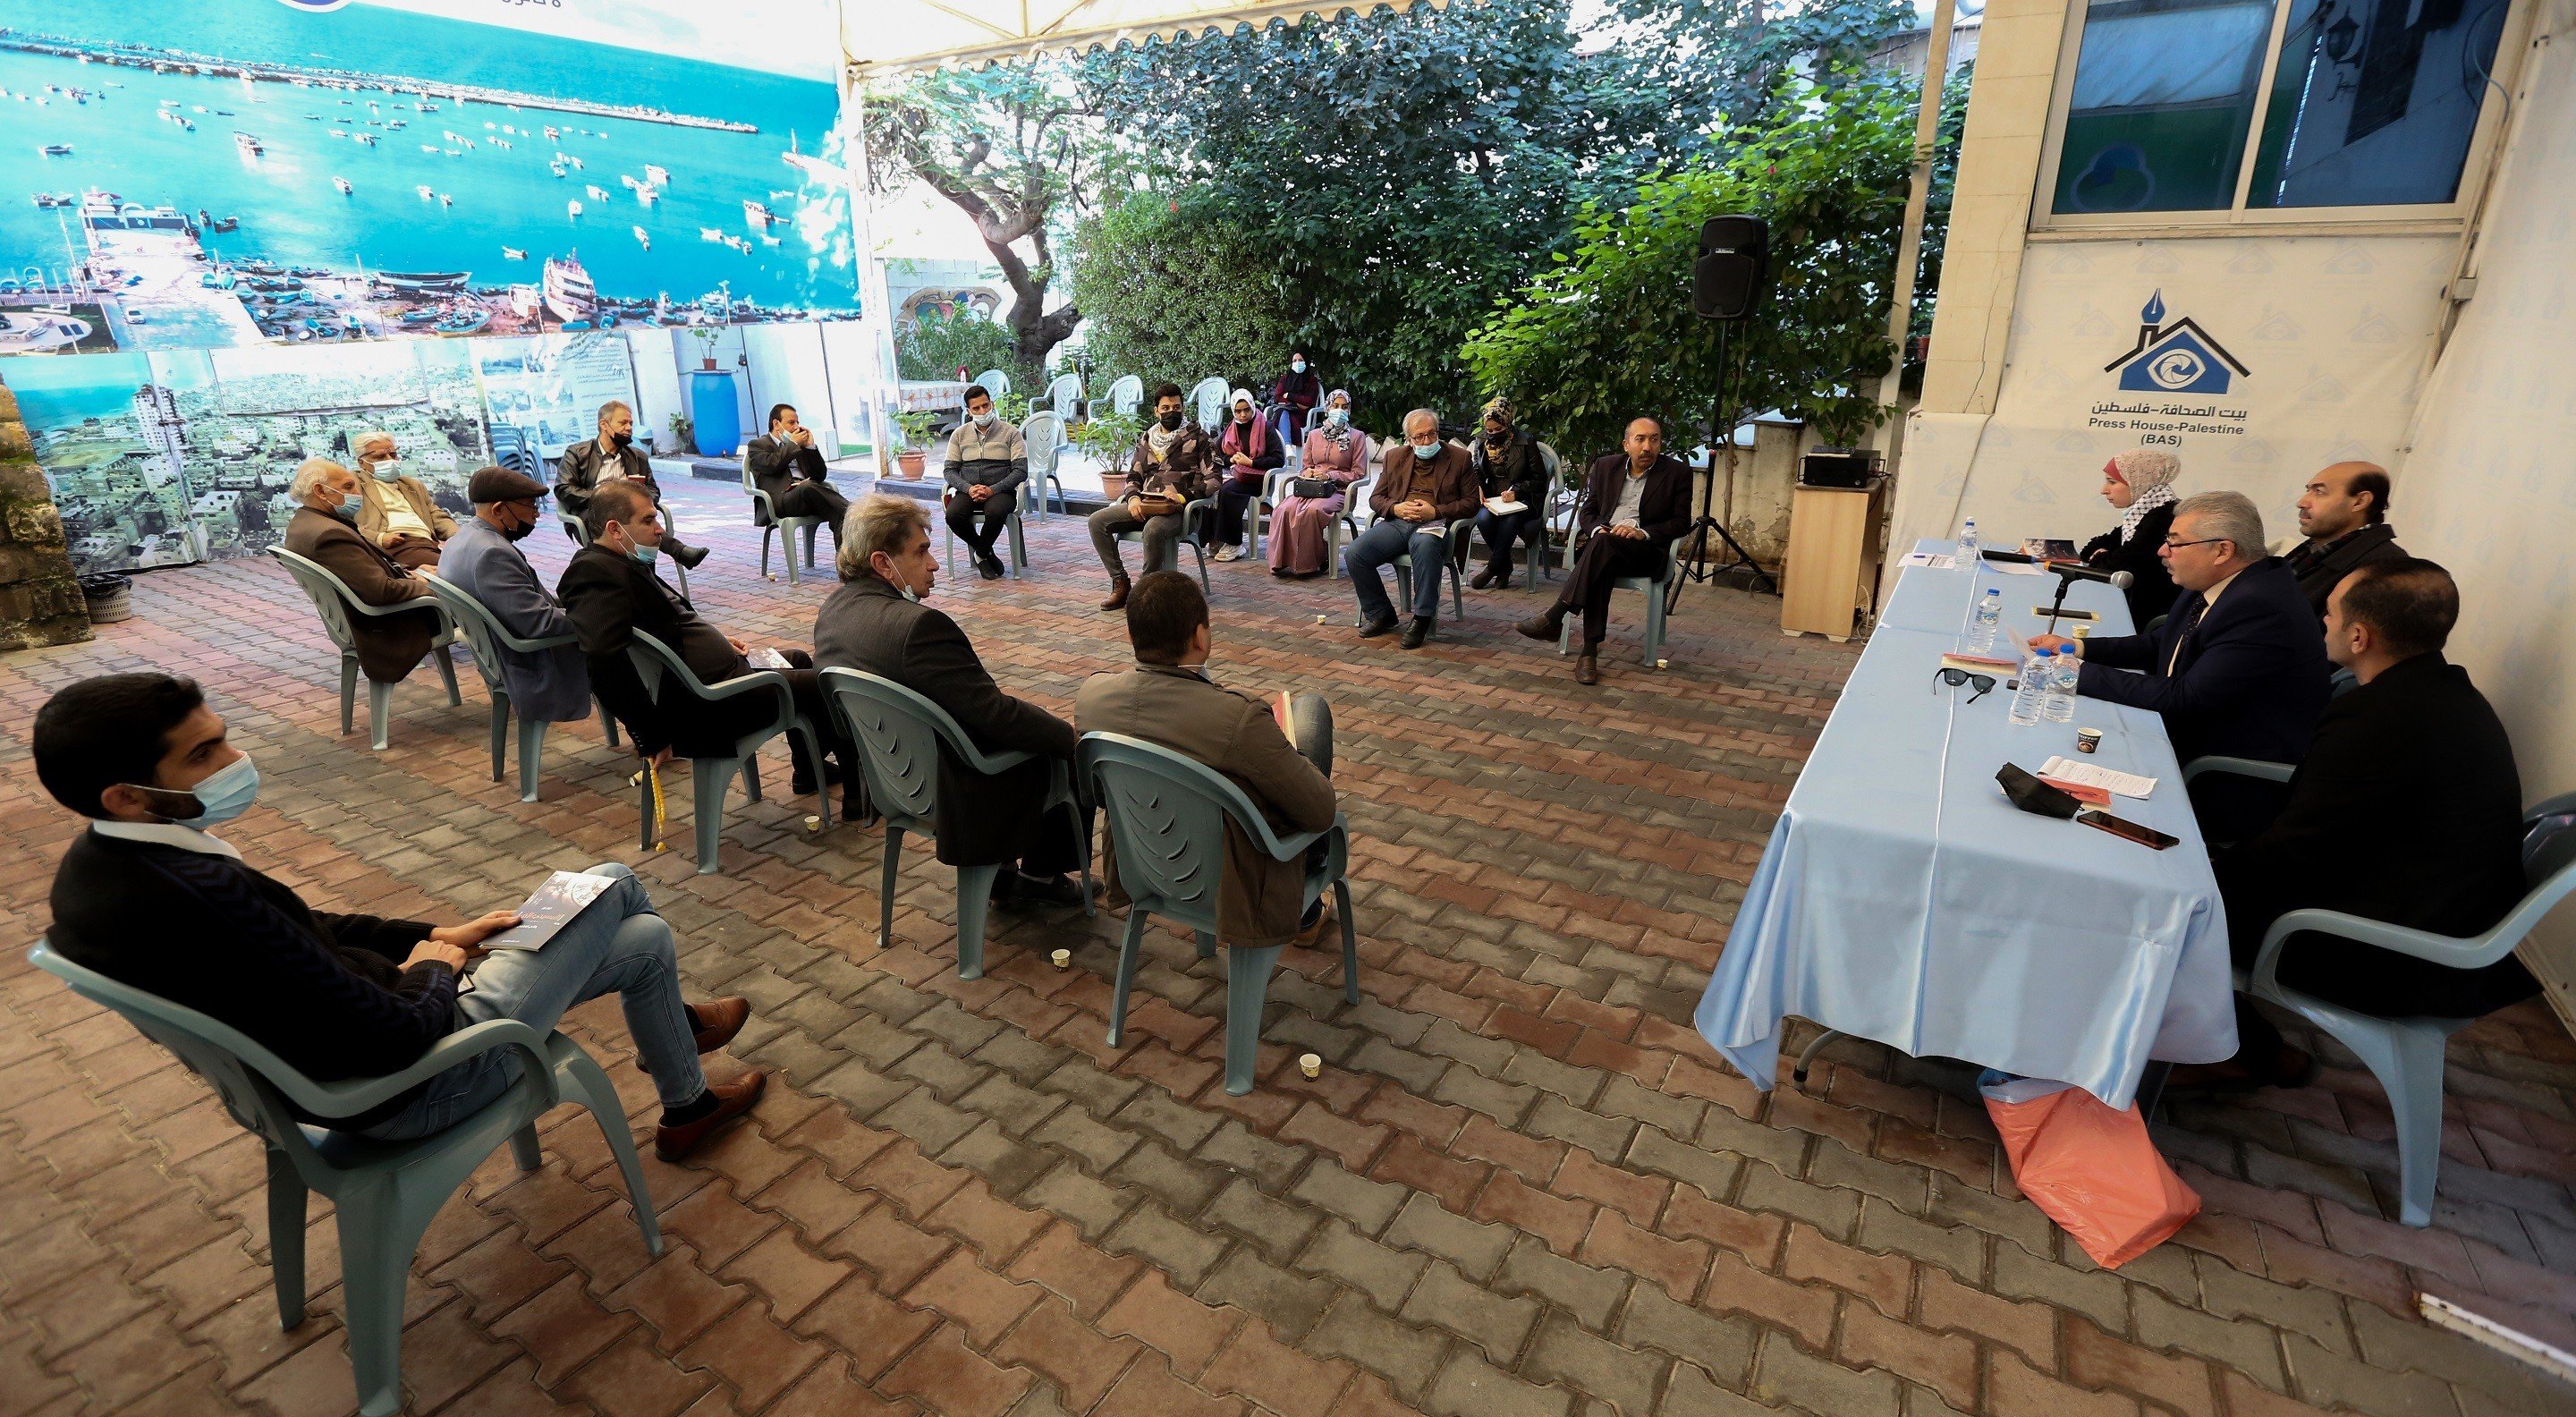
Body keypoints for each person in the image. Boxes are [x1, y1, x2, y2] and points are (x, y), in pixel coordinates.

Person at [33, 674, 765, 1158]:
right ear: (126, 796)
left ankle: (688, 1097)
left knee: (643, 938)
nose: (234, 758)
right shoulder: (201, 896)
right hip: (417, 1078)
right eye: (203, 754)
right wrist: (435, 970)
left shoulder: (103, 869)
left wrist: (432, 934)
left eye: (223, 735)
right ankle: (681, 1050)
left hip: (342, 1070)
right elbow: (395, 1035)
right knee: (611, 881)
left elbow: (304, 927)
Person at [2175, 559, 2538, 1090]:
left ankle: (2220, 1052)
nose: (2321, 621)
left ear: (2360, 636)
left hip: (2397, 954)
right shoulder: (2445, 693)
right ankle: (2250, 1049)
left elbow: (2296, 853)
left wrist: (2195, 875)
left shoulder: (2378, 720)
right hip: (2439, 915)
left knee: (2167, 908)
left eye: (2329, 613)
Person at [814, 496, 1089, 907]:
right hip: (953, 789)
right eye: (921, 552)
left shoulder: (833, 611)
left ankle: (1003, 874)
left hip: (891, 780)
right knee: (1061, 751)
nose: (934, 565)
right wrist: (1068, 738)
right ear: (882, 563)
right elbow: (994, 713)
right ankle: (1040, 877)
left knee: (1022, 732)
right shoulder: (919, 627)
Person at [2031, 491, 2330, 837]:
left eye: (2174, 542)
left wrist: (2074, 673)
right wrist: (2076, 648)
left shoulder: (2262, 608)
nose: (2162, 551)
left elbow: (2186, 697)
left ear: (2222, 550)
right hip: (2179, 729)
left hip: (2217, 773)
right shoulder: (2220, 581)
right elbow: (2162, 643)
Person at [557, 482, 859, 818]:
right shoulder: (593, 574)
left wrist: (714, 641)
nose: (660, 529)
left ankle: (807, 771)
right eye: (648, 520)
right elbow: (602, 660)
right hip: (712, 700)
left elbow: (664, 626)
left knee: (798, 659)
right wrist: (650, 735)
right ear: (615, 529)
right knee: (826, 682)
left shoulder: (618, 561)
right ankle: (858, 792)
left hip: (719, 678)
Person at [1075, 572, 1340, 948]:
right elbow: (1321, 812)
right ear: (1200, 637)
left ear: (1131, 636)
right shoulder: (1240, 718)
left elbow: (1096, 795)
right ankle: (1306, 907)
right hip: (1235, 878)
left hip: (1144, 862)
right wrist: (1284, 753)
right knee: (1311, 709)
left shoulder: (1092, 697)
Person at [1515, 418, 1691, 685]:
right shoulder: (1606, 466)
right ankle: (1588, 653)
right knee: (1602, 551)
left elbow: (1681, 522)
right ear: (1626, 444)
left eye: (1654, 440)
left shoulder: (1677, 473)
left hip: (1645, 552)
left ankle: (1556, 617)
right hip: (1605, 548)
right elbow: (1588, 511)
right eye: (1640, 439)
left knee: (1599, 549)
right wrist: (1598, 529)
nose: (1647, 446)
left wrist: (1641, 532)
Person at [436, 466, 592, 724]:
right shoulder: (493, 553)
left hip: (502, 654)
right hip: (532, 663)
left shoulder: (460, 539)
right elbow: (539, 623)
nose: (536, 513)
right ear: (498, 509)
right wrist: (597, 617)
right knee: (627, 646)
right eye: (530, 505)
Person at [281, 458, 447, 687]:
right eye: (348, 487)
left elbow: (367, 572)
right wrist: (430, 585)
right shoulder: (330, 535)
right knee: (480, 605)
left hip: (371, 619)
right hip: (393, 626)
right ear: (320, 491)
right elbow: (382, 591)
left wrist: (412, 572)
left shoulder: (306, 523)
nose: (358, 494)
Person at [1347, 410, 1478, 649]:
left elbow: (1472, 503)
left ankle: (1422, 618)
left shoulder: (1459, 458)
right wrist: (1395, 508)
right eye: (1420, 437)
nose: (1427, 441)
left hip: (1435, 524)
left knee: (1426, 546)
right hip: (1399, 522)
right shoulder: (1395, 457)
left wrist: (1435, 511)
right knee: (1355, 553)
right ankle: (1381, 614)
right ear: (1409, 439)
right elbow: (1376, 498)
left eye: (1432, 434)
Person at [1089, 383, 1216, 612]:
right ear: (1156, 411)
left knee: (1154, 529)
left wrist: (1182, 496)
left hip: (1179, 512)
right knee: (1097, 521)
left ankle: (1145, 592)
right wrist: (1133, 498)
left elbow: (1214, 479)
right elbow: (1134, 476)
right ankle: (1120, 583)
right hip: (1145, 505)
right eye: (1165, 408)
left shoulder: (1199, 438)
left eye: (1176, 407)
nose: (1171, 412)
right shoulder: (1148, 438)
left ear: (1183, 408)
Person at [553, 401, 708, 569]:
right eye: (623, 423)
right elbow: (564, 489)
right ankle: (677, 551)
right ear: (604, 425)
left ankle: (649, 577)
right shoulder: (578, 453)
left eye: (631, 423)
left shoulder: (638, 456)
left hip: (632, 513)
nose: (629, 428)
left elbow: (653, 491)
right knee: (637, 529)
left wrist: (638, 501)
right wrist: (607, 498)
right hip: (594, 514)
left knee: (641, 524)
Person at [1267, 389, 1369, 580]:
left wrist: (1329, 475)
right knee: (1283, 509)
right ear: (1327, 408)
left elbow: (1358, 473)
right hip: (1310, 488)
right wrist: (1309, 473)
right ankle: (1282, 561)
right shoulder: (1314, 435)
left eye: (1344, 407)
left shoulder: (1357, 437)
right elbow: (1305, 467)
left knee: (1312, 511)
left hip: (1340, 492)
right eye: (1335, 406)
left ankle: (1311, 562)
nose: (1340, 411)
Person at [2283, 461, 2404, 619]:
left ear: (2359, 502)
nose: (2302, 503)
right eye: (2308, 490)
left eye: (2319, 492)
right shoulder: (2313, 551)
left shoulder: (2385, 569)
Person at [2076, 448, 2181, 626]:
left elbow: (2109, 569)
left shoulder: (2163, 518)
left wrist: (2102, 556)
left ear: (2139, 482)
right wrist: (2103, 555)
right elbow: (2088, 551)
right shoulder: (2141, 514)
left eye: (2112, 482)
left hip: (2147, 618)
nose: (2104, 490)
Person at [744, 402, 852, 564]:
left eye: (797, 422)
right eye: (791, 423)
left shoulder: (798, 446)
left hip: (809, 495)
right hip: (782, 500)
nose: (796, 427)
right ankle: (854, 511)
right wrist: (793, 445)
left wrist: (810, 447)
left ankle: (848, 565)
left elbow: (819, 475)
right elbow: (772, 465)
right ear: (776, 424)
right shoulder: (757, 445)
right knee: (810, 489)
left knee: (839, 516)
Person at [938, 385, 1027, 581]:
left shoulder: (1011, 433)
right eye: (976, 408)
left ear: (992, 404)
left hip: (1001, 491)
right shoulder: (959, 434)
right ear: (969, 411)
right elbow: (949, 470)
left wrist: (992, 490)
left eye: (985, 405)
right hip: (968, 491)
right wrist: (968, 489)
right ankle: (986, 553)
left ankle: (979, 555)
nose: (982, 411)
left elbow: (1021, 471)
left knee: (995, 511)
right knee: (953, 515)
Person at [1465, 396, 1548, 590]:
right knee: (1483, 519)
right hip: (1494, 498)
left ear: (1508, 422)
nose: (1493, 434)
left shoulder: (1526, 441)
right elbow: (1476, 471)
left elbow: (1539, 479)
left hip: (1524, 499)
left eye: (1498, 429)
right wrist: (1478, 486)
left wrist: (1517, 492)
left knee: (1510, 520)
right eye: (1490, 430)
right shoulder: (1481, 440)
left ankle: (1493, 567)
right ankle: (1505, 566)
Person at [349, 429, 457, 570]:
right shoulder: (352, 484)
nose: (390, 460)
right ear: (361, 462)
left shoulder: (412, 485)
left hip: (428, 544)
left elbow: (436, 515)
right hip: (397, 546)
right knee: (459, 569)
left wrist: (458, 536)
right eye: (380, 457)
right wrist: (378, 538)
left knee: (476, 558)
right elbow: (343, 525)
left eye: (393, 455)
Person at [1209, 388, 1284, 562]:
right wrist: (1230, 459)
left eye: (1246, 410)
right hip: (1237, 475)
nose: (1242, 415)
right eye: (1238, 411)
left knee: (1228, 491)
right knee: (1212, 488)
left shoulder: (1265, 426)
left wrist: (1251, 462)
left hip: (1259, 479)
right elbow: (1216, 454)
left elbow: (1278, 459)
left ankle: (1234, 543)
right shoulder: (1231, 428)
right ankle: (1215, 540)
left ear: (1252, 407)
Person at [1268, 352, 1323, 443]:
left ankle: (1286, 445)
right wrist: (1297, 403)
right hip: (1285, 410)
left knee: (1282, 413)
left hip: (1302, 415)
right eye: (1294, 361)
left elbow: (1308, 401)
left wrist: (1289, 395)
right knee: (1283, 412)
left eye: (1301, 360)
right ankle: (1287, 445)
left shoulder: (1311, 380)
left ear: (1306, 362)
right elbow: (1277, 398)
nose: (1297, 363)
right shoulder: (1285, 379)